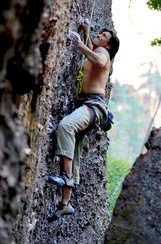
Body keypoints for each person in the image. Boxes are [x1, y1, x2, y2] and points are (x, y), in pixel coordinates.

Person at [47, 21, 120, 222]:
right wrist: (87, 35)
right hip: (89, 108)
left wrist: (80, 44)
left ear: (109, 45)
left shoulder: (104, 55)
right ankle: (65, 204)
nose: (99, 35)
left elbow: (98, 60)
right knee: (75, 153)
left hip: (93, 107)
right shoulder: (98, 50)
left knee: (67, 126)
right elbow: (92, 55)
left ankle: (65, 177)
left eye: (103, 36)